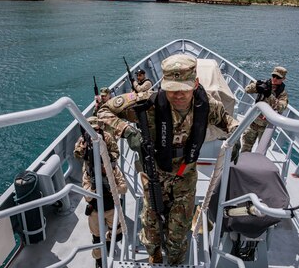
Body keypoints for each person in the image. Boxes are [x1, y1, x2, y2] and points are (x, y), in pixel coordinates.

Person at [97, 54, 239, 265]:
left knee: (178, 233)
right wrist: (128, 132)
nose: (178, 95)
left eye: (184, 88)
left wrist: (236, 138)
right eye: (172, 89)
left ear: (196, 83)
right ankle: (154, 255)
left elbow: (228, 121)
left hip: (185, 176)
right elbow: (103, 111)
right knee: (151, 226)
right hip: (154, 173)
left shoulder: (207, 105)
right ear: (163, 85)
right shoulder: (148, 103)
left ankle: (174, 261)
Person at [74, 116, 127, 268]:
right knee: (96, 238)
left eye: (97, 129)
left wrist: (107, 163)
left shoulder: (107, 137)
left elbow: (115, 152)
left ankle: (110, 242)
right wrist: (83, 149)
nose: (95, 132)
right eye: (92, 129)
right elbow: (77, 155)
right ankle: (99, 260)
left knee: (116, 234)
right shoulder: (83, 140)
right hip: (92, 176)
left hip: (110, 190)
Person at [241, 66, 289, 153]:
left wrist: (269, 95)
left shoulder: (282, 94)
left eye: (278, 77)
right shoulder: (265, 84)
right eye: (274, 76)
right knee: (246, 147)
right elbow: (247, 90)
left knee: (261, 151)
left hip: (266, 126)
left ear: (283, 79)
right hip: (254, 121)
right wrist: (256, 86)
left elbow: (282, 107)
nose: (275, 78)